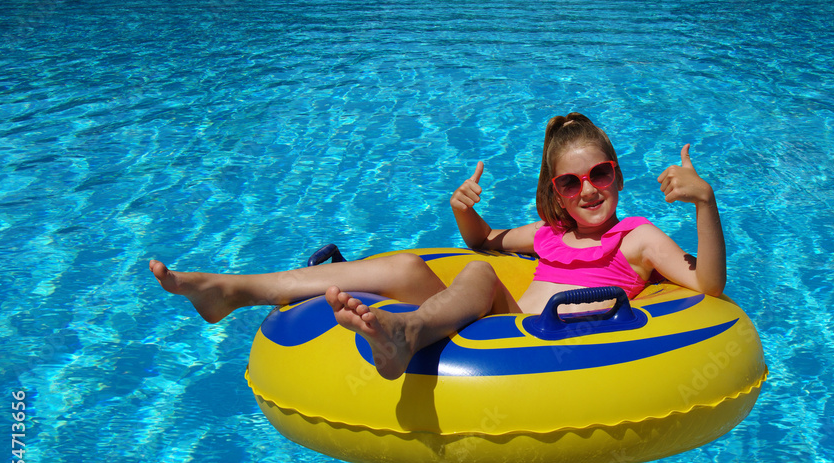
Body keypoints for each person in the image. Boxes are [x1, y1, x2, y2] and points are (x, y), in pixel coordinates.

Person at [150, 112, 725, 380]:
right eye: (569, 182)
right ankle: (233, 290)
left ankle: (406, 334)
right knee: (407, 264)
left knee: (477, 278)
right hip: (500, 318)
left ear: (618, 176)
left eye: (599, 175)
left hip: (532, 333)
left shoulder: (639, 239)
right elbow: (485, 241)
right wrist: (462, 210)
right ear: (555, 192)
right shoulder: (550, 236)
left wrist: (705, 202)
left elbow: (708, 285)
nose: (588, 191)